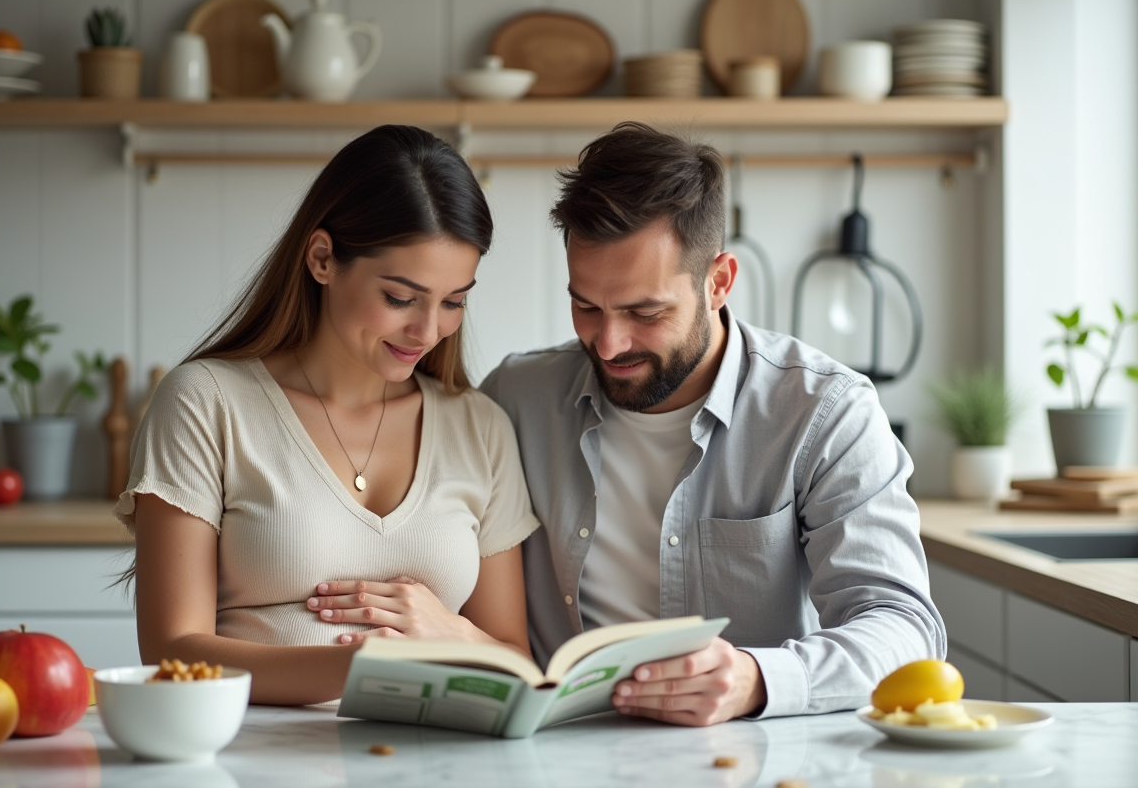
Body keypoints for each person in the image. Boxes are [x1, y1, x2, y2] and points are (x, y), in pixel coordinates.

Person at [479, 122, 945, 726]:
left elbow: (904, 629)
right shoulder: (515, 399)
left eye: (645, 312)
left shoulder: (824, 413)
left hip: (750, 753)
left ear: (718, 282)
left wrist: (756, 679)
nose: (609, 343)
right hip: (556, 747)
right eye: (586, 306)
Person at [115, 125, 539, 706]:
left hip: (430, 748)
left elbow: (517, 662)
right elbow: (172, 650)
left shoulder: (481, 427)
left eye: (454, 302)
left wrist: (457, 636)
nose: (427, 330)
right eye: (400, 298)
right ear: (322, 259)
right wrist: (365, 665)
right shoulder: (205, 402)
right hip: (255, 750)